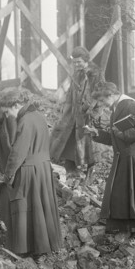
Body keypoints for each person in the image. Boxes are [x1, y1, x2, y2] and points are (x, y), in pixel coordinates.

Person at [84, 81, 135, 234]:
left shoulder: (129, 105)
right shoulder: (118, 107)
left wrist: (123, 134)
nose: (101, 104)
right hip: (126, 157)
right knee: (129, 195)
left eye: (102, 100)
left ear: (111, 95)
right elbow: (115, 137)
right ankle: (132, 229)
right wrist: (96, 133)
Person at [0, 89, 62, 258]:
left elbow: (18, 152)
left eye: (7, 112)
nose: (8, 116)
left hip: (29, 169)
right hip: (43, 168)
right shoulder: (38, 116)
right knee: (41, 206)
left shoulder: (24, 121)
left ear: (16, 105)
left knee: (23, 205)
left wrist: (8, 175)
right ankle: (44, 244)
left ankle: (25, 248)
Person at [50, 46, 105, 184]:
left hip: (89, 114)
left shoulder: (96, 74)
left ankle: (89, 171)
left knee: (89, 143)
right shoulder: (77, 74)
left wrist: (92, 110)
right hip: (74, 112)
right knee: (68, 137)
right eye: (74, 62)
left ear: (86, 60)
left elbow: (100, 94)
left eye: (79, 62)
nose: (76, 65)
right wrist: (66, 110)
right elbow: (70, 93)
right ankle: (71, 168)